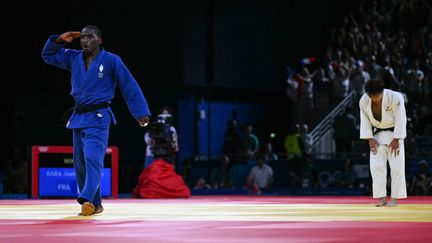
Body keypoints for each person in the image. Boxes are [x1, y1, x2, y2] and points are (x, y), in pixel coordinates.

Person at [41, 25, 151, 216]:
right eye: (82, 37)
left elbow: (128, 85)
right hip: (78, 116)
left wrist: (140, 111)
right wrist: (59, 39)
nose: (84, 41)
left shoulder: (111, 60)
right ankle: (96, 204)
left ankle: (86, 197)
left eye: (90, 37)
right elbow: (48, 55)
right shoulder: (73, 57)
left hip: (99, 117)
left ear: (99, 39)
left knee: (93, 157)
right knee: (80, 162)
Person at [359, 79, 407, 207]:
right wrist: (370, 139)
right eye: (371, 96)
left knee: (397, 167)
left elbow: (401, 119)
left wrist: (397, 139)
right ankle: (382, 198)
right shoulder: (364, 101)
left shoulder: (395, 97)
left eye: (376, 95)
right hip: (376, 136)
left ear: (382, 92)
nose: (374, 98)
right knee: (376, 168)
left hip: (394, 134)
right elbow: (364, 121)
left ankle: (394, 199)